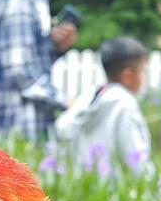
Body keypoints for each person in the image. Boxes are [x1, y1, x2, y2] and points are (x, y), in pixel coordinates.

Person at [0, 0, 76, 142]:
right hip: (19, 131)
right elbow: (20, 71)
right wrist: (65, 102)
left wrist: (55, 47)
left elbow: (28, 62)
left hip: (28, 128)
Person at [56, 36, 153, 175]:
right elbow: (135, 157)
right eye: (143, 70)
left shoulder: (90, 95)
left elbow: (62, 127)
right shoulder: (125, 104)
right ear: (128, 75)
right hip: (116, 189)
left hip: (85, 183)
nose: (144, 76)